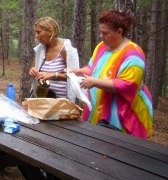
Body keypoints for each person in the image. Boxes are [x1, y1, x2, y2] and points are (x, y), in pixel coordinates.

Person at [72, 10, 153, 139]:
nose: (100, 36)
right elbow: (92, 68)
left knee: (117, 150)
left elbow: (127, 84)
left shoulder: (133, 54)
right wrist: (79, 71)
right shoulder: (102, 47)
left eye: (105, 33)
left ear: (119, 32)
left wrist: (94, 82)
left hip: (121, 115)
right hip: (98, 109)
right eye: (100, 32)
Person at [28, 17, 79, 100]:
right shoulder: (40, 49)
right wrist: (32, 71)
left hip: (60, 103)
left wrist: (53, 75)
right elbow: (34, 68)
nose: (36, 36)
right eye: (36, 32)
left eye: (39, 32)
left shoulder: (66, 50)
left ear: (50, 32)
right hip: (41, 100)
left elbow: (75, 76)